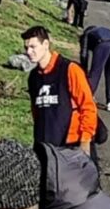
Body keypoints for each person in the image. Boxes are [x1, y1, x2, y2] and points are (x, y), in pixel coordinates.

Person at [22, 25, 98, 154]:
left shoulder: (70, 70)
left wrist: (85, 141)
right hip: (44, 147)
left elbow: (88, 106)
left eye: (32, 47)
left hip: (71, 147)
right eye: (26, 48)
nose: (28, 52)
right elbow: (36, 112)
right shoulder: (33, 77)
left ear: (46, 44)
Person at [79, 26, 110, 112]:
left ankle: (87, 98)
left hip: (102, 44)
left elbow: (84, 54)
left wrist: (84, 70)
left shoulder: (86, 35)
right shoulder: (100, 30)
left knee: (95, 73)